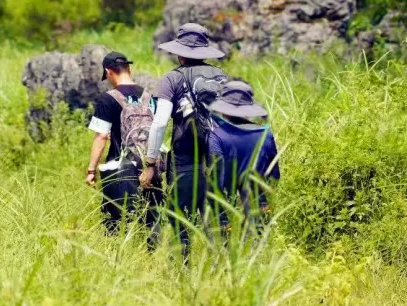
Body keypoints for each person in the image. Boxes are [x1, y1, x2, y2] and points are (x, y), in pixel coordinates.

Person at [140, 23, 227, 259]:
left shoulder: (172, 79)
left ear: (179, 53)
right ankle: (223, 273)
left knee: (180, 224)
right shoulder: (221, 77)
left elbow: (159, 123)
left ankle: (181, 274)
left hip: (185, 163)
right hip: (219, 161)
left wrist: (150, 164)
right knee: (218, 226)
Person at [87, 51, 161, 244]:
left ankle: (118, 258)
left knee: (115, 223)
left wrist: (91, 170)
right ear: (129, 68)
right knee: (152, 221)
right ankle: (153, 257)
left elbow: (101, 136)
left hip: (120, 169)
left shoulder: (106, 99)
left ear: (108, 72)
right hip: (151, 167)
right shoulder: (150, 97)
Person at [207, 79, 280, 238]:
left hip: (226, 205)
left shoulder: (216, 136)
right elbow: (274, 175)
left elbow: (217, 179)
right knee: (257, 244)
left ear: (224, 109)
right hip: (258, 202)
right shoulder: (265, 134)